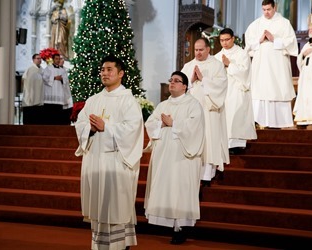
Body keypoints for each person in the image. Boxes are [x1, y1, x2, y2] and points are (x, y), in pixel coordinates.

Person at [74, 55, 144, 250]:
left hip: (115, 162)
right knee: (100, 205)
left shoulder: (128, 101)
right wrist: (90, 129)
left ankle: (120, 245)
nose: (105, 73)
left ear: (120, 74)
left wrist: (107, 127)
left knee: (115, 205)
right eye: (103, 69)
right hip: (95, 159)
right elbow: (80, 123)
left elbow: (133, 130)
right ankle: (100, 245)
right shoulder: (94, 100)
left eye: (109, 69)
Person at [144, 71, 205, 245]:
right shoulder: (163, 105)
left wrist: (174, 124)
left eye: (176, 81)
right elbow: (150, 123)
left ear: (185, 86)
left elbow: (195, 127)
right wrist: (161, 124)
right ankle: (168, 222)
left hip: (183, 157)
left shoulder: (193, 104)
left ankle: (181, 227)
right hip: (164, 155)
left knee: (181, 189)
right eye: (171, 80)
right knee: (167, 186)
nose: (172, 83)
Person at [181, 37, 229, 187]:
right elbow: (180, 85)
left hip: (209, 110)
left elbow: (221, 86)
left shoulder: (217, 65)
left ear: (208, 49)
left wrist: (203, 79)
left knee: (209, 141)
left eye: (201, 50)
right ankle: (191, 174)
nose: (198, 53)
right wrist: (190, 80)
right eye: (196, 50)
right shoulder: (188, 66)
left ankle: (207, 175)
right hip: (192, 112)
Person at [245, 0, 298, 129]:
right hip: (261, 65)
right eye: (264, 10)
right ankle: (259, 121)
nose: (266, 12)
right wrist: (260, 39)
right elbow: (248, 45)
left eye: (268, 9)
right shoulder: (256, 24)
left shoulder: (284, 23)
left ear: (274, 8)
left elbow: (291, 42)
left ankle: (279, 122)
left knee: (277, 88)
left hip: (277, 65)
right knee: (261, 89)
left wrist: (274, 39)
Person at [214, 28, 257, 154]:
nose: (224, 43)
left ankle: (237, 145)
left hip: (238, 90)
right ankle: (225, 144)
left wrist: (229, 65)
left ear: (233, 38)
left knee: (236, 117)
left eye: (227, 39)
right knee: (225, 117)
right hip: (223, 92)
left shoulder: (242, 54)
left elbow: (245, 73)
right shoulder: (217, 56)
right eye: (222, 40)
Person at [42, 53, 69, 125]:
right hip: (50, 94)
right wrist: (54, 78)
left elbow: (66, 80)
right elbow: (44, 78)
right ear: (53, 59)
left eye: (59, 59)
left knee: (58, 114)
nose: (58, 60)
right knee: (50, 114)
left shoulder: (62, 70)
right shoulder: (48, 68)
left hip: (59, 94)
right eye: (56, 59)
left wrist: (62, 79)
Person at [21, 53, 44, 125]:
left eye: (40, 59)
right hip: (30, 96)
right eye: (37, 58)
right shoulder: (30, 69)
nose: (39, 60)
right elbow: (23, 80)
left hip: (39, 97)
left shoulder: (42, 70)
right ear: (33, 60)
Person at [59, 54, 73, 124]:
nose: (63, 60)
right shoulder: (55, 69)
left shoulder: (64, 69)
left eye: (63, 59)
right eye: (61, 59)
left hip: (67, 93)